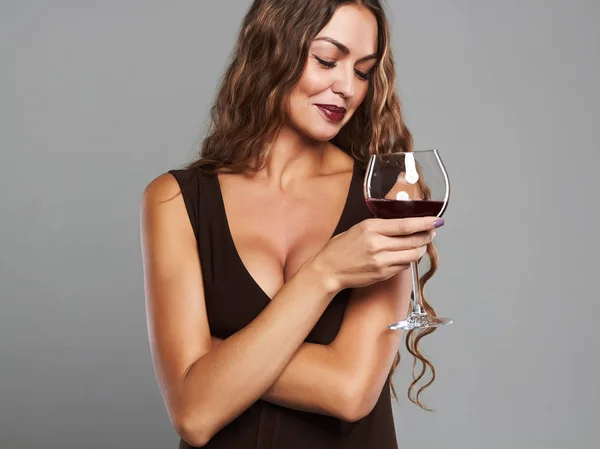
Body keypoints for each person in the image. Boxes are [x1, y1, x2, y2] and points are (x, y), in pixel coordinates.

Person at [140, 1, 444, 447]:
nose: (347, 87)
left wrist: (216, 362)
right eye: (327, 60)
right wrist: (327, 272)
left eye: (363, 71)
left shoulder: (388, 196)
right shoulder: (174, 200)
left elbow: (350, 390)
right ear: (271, 50)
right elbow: (193, 413)